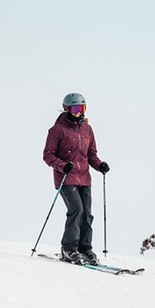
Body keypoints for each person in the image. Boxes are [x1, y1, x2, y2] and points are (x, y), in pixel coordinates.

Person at [42, 93, 110, 265]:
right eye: (75, 108)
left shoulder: (87, 130)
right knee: (76, 210)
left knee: (87, 214)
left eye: (82, 108)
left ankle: (85, 248)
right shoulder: (57, 130)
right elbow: (47, 155)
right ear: (66, 109)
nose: (79, 112)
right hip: (66, 177)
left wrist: (100, 165)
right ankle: (69, 248)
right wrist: (62, 165)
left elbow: (91, 155)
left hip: (84, 178)